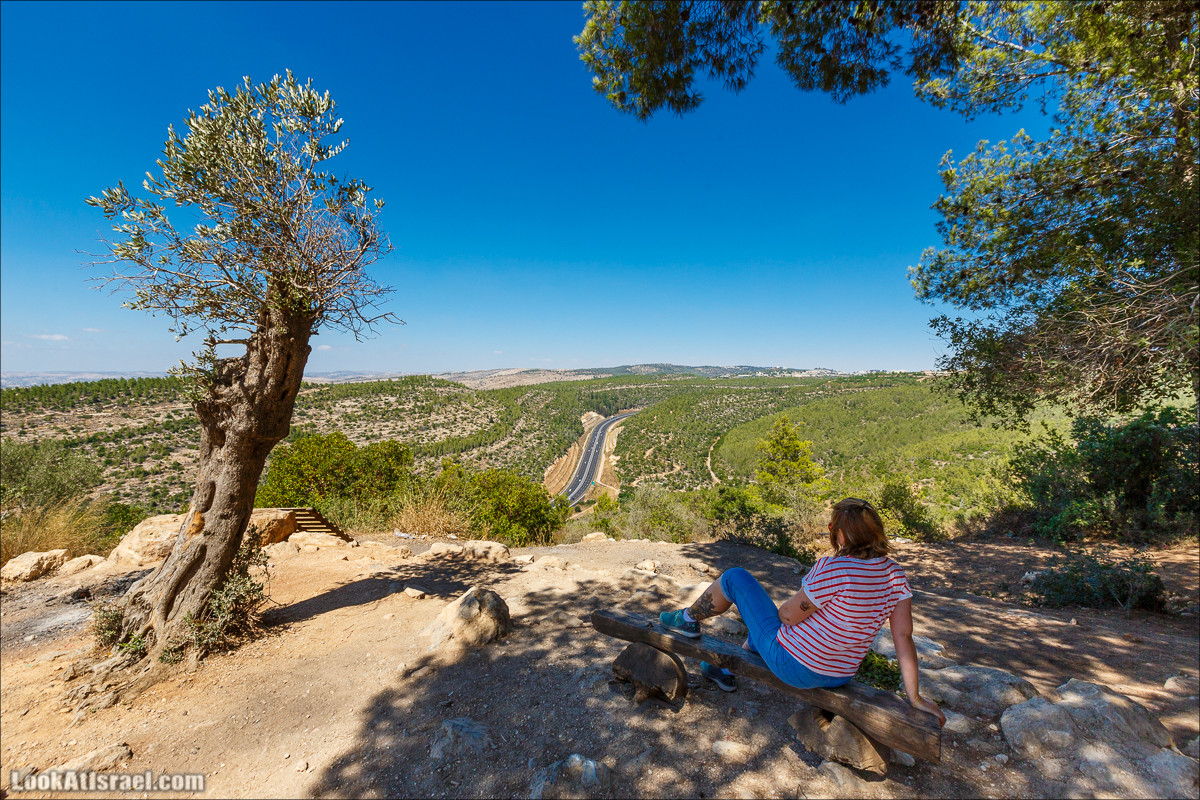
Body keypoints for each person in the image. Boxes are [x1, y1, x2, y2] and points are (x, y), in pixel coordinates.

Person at [659, 497, 945, 724]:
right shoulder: (894, 574)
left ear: (843, 535)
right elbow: (903, 636)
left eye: (833, 528)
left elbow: (787, 616)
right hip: (841, 672)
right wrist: (915, 697)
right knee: (767, 626)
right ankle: (718, 669)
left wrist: (793, 605)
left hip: (796, 667)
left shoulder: (834, 568)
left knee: (735, 578)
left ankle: (686, 620)